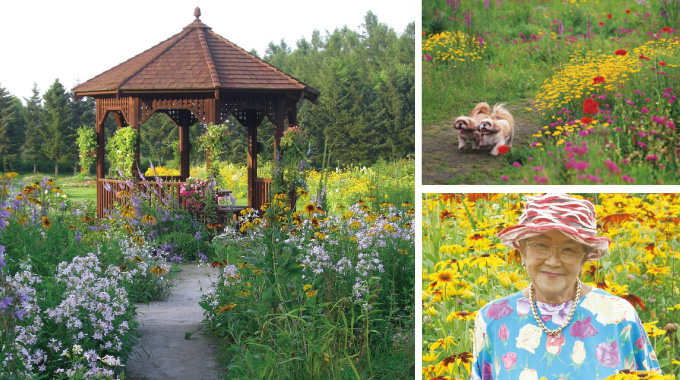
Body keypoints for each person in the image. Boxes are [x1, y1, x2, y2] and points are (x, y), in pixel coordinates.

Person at [470, 193, 661, 380]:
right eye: (541, 245)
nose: (553, 261)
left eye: (569, 249)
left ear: (585, 257)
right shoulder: (491, 319)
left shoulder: (619, 316)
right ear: (523, 251)